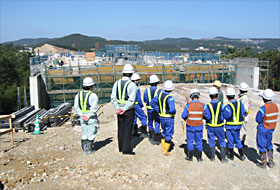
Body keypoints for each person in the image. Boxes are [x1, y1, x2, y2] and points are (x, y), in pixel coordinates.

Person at [111, 64, 137, 155]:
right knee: (127, 129)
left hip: (119, 109)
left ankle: (121, 147)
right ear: (131, 74)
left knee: (121, 128)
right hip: (128, 110)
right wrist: (125, 109)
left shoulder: (116, 83)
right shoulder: (132, 85)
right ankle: (126, 149)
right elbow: (132, 100)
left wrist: (117, 108)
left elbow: (113, 97)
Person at [150, 80, 176, 155]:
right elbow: (172, 110)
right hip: (169, 118)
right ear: (171, 89)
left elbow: (152, 102)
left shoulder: (160, 94)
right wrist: (174, 112)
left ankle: (162, 147)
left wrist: (158, 109)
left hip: (161, 117)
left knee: (164, 131)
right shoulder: (170, 98)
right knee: (169, 133)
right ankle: (166, 151)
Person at [74, 77, 99, 154]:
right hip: (90, 117)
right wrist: (89, 116)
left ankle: (84, 149)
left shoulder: (78, 95)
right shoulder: (93, 95)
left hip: (82, 117)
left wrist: (81, 115)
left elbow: (76, 106)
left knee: (84, 132)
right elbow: (94, 108)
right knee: (91, 133)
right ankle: (89, 150)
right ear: (91, 86)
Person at [182, 89, 207, 162]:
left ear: (191, 96)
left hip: (190, 127)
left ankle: (190, 158)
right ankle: (199, 158)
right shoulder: (203, 106)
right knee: (199, 142)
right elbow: (208, 116)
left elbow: (183, 116)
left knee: (190, 142)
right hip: (199, 127)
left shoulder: (188, 105)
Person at [256, 89, 278, 169]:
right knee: (269, 144)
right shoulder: (276, 106)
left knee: (261, 145)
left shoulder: (263, 108)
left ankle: (264, 163)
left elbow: (258, 119)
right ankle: (271, 162)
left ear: (264, 98)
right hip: (271, 128)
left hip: (263, 128)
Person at [204, 87, 228, 163]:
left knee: (211, 141)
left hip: (210, 127)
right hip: (220, 126)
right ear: (217, 95)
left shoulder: (207, 106)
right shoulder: (222, 105)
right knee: (221, 141)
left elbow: (207, 116)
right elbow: (226, 114)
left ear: (209, 96)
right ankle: (223, 158)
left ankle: (212, 157)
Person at [223, 87, 246, 161]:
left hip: (230, 126)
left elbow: (226, 116)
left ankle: (231, 155)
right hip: (238, 126)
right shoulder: (240, 104)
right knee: (238, 139)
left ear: (227, 96)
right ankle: (242, 155)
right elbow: (243, 113)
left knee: (230, 140)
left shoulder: (228, 106)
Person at [143, 74, 162, 144]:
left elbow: (145, 100)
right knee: (157, 121)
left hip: (149, 109)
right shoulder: (159, 91)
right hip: (156, 109)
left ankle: (151, 137)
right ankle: (157, 136)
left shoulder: (146, 90)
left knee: (150, 122)